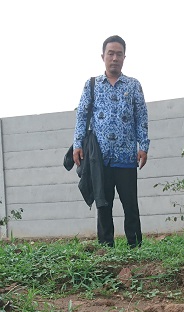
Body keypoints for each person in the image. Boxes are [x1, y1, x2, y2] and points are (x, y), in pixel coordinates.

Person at [72, 35, 150, 248]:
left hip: (126, 158)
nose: (114, 58)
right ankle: (106, 248)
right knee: (103, 205)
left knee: (130, 206)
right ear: (103, 56)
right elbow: (82, 116)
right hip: (100, 159)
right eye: (110, 53)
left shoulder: (134, 86)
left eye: (119, 54)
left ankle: (135, 246)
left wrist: (143, 146)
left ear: (124, 57)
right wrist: (77, 144)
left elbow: (141, 117)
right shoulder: (92, 85)